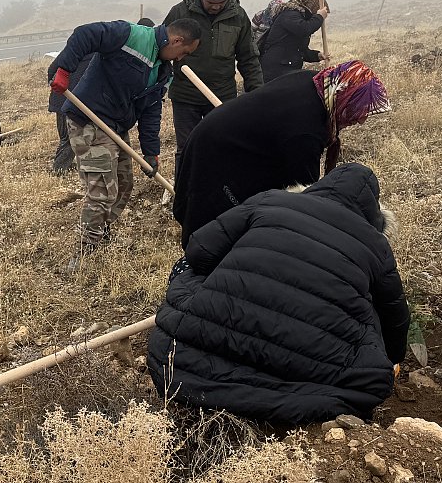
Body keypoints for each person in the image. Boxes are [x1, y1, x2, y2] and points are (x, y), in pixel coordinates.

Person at [148, 162, 410, 426]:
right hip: (307, 379)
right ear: (375, 214)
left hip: (183, 366)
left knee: (186, 270)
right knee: (372, 350)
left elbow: (199, 251)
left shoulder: (270, 200)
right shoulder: (375, 244)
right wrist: (393, 357)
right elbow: (395, 318)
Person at [172, 60, 390, 246]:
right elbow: (305, 198)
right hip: (219, 153)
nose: (361, 119)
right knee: (215, 225)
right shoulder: (305, 129)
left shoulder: (315, 82)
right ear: (344, 96)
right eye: (358, 110)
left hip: (231, 139)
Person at [49, 18, 202, 268]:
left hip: (116, 127)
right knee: (101, 190)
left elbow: (151, 112)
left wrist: (151, 153)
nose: (182, 58)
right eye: (183, 52)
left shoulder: (164, 72)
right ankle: (84, 252)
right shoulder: (130, 35)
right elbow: (85, 34)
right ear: (176, 41)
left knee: (123, 184)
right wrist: (64, 69)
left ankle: (102, 233)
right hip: (89, 120)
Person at [162, 0, 264, 167]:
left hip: (222, 95)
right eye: (211, 2)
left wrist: (257, 94)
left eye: (221, 2)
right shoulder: (180, 12)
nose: (216, 7)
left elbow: (248, 58)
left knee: (222, 147)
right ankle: (184, 195)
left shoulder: (238, 17)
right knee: (187, 149)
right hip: (186, 96)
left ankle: (219, 194)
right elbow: (163, 50)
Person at [46, 18, 151, 175]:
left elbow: (52, 70)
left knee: (68, 139)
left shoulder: (104, 49)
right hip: (68, 98)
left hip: (66, 96)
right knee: (68, 139)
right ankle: (59, 170)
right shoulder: (108, 51)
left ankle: (64, 167)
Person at [258, 0, 331, 82]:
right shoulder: (290, 15)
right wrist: (319, 16)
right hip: (276, 70)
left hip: (286, 67)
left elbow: (299, 51)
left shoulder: (297, 18)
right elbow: (305, 29)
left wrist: (317, 56)